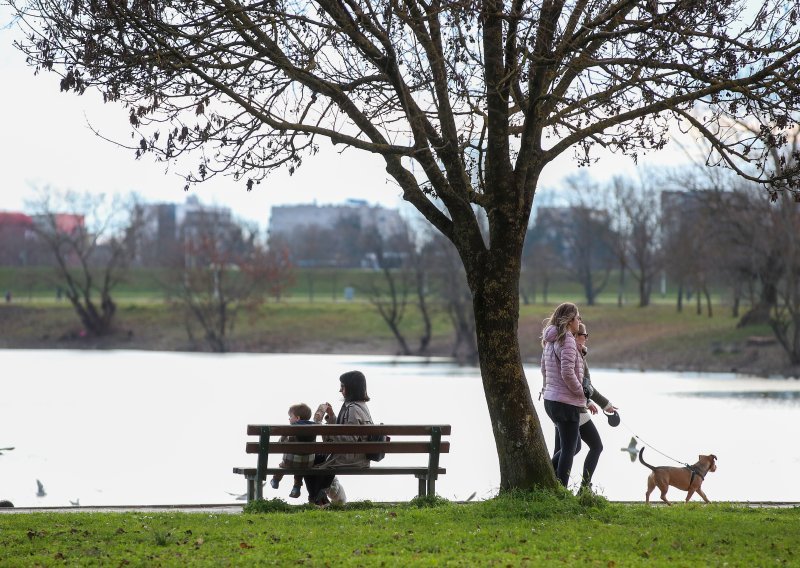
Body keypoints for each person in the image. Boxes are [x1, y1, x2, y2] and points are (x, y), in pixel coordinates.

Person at [550, 322, 618, 492]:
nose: (586, 339)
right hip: (573, 407)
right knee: (595, 446)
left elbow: (578, 384)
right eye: (584, 335)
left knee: (566, 448)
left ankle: (553, 484)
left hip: (559, 404)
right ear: (576, 336)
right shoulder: (575, 354)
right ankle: (583, 487)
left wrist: (589, 401)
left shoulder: (562, 349)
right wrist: (603, 403)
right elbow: (583, 385)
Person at [304, 370, 374, 506]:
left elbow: (350, 439)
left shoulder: (352, 409)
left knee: (311, 461)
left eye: (342, 386)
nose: (340, 390)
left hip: (352, 458)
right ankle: (319, 499)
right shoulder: (360, 406)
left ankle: (317, 500)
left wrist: (320, 425)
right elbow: (346, 432)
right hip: (357, 455)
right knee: (313, 459)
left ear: (350, 387)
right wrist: (331, 416)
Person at [540, 302, 585, 487]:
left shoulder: (551, 339)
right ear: (570, 320)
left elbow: (543, 369)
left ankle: (549, 480)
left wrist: (550, 387)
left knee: (572, 446)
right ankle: (560, 489)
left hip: (551, 399)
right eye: (577, 318)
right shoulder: (566, 339)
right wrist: (580, 392)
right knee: (570, 448)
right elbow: (567, 372)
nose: (579, 321)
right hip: (566, 402)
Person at [269, 403, 316, 499]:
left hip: (290, 462)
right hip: (308, 463)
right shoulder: (314, 428)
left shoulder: (290, 429)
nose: (289, 419)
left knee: (283, 465)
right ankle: (296, 487)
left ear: (297, 418)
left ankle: (275, 479)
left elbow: (280, 443)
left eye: (290, 416)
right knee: (299, 470)